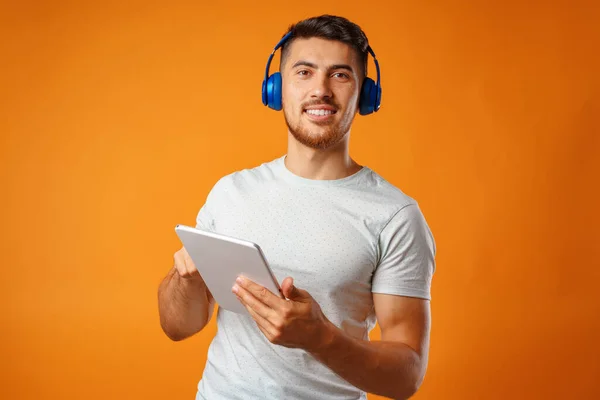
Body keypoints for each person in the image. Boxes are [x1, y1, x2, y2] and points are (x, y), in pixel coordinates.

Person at [157, 14, 436, 400]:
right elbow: (177, 327)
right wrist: (183, 281)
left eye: (340, 75)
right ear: (277, 88)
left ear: (365, 95)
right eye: (304, 72)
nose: (320, 90)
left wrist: (320, 338)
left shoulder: (396, 217)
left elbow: (406, 376)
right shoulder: (230, 192)